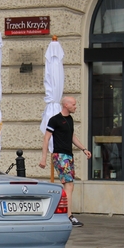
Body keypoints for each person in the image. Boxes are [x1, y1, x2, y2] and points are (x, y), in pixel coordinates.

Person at [38, 96, 92, 227]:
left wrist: (84, 148)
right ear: (66, 105)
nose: (75, 106)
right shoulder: (55, 120)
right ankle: (68, 216)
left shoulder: (70, 120)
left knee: (69, 185)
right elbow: (46, 138)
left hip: (68, 155)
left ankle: (65, 214)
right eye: (73, 104)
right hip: (60, 155)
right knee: (68, 185)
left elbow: (72, 136)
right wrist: (44, 157)